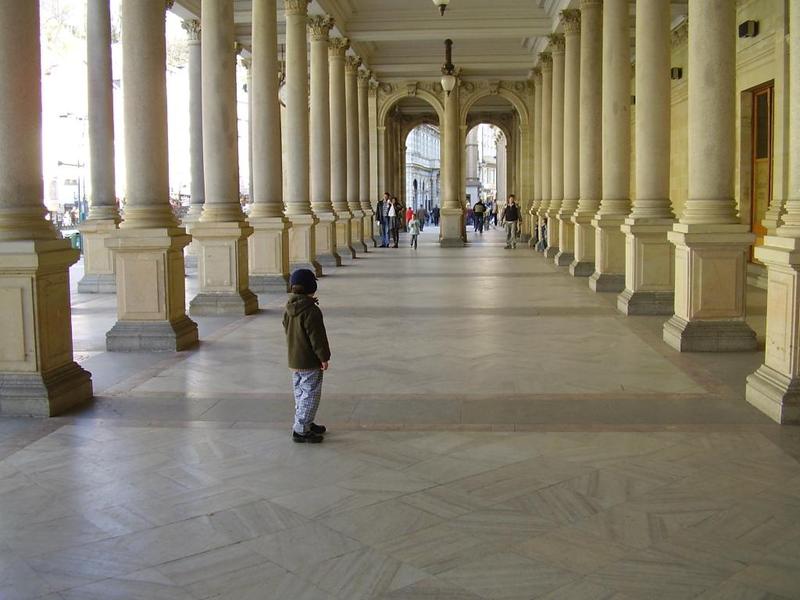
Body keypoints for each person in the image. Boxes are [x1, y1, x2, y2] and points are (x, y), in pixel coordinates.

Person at [283, 269, 331, 444]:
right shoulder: (311, 311)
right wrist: (323, 357)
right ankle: (301, 429)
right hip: (309, 360)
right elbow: (317, 338)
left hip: (294, 358)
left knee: (300, 393)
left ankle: (305, 422)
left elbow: (286, 328)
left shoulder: (289, 308)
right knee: (310, 395)